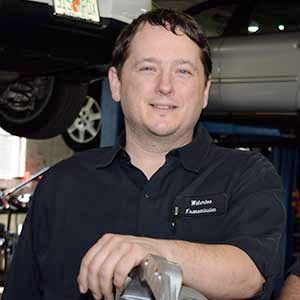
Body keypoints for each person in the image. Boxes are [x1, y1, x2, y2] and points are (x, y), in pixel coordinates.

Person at [3, 9, 286, 300]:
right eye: (148, 68)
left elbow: (249, 275)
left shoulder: (246, 175)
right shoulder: (61, 185)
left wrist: (153, 251)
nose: (165, 86)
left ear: (204, 91)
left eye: (183, 71)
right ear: (116, 83)